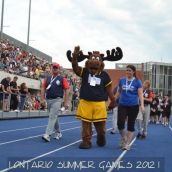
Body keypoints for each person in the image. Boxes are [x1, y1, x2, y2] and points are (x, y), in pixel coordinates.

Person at [114, 64, 144, 150]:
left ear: (133, 72)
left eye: (130, 70)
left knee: (130, 125)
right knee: (120, 124)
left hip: (133, 106)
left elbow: (140, 94)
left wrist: (141, 105)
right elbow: (119, 92)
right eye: (127, 70)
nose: (128, 72)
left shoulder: (137, 81)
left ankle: (127, 144)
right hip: (122, 105)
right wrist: (113, 100)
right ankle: (124, 138)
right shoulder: (122, 80)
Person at [41, 63, 69, 142]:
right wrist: (42, 99)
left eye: (56, 68)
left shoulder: (62, 79)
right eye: (53, 68)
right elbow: (43, 88)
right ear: (51, 68)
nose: (55, 69)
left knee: (52, 116)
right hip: (48, 100)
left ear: (59, 69)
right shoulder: (47, 78)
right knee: (54, 116)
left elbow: (66, 90)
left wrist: (65, 102)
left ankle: (47, 134)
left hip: (57, 100)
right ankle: (58, 132)